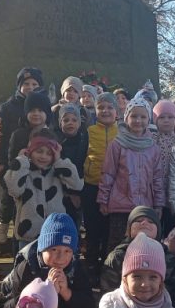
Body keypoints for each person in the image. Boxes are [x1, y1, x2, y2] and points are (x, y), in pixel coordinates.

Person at [0, 213, 95, 308]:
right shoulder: (27, 268)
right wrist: (40, 293)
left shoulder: (76, 269)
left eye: (67, 251)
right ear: (42, 248)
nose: (61, 257)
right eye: (54, 249)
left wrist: (67, 293)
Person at [98, 97, 165, 250]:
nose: (138, 121)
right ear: (126, 117)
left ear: (148, 119)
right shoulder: (117, 144)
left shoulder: (153, 148)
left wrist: (159, 204)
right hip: (120, 207)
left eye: (143, 117)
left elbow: (157, 178)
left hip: (144, 207)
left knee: (141, 246)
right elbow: (108, 174)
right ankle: (113, 266)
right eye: (134, 116)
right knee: (117, 245)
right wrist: (103, 200)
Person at [3, 129, 83, 248]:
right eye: (39, 151)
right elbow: (14, 189)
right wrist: (21, 160)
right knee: (26, 260)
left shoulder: (58, 171)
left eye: (49, 153)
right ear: (30, 151)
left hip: (55, 235)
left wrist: (59, 161)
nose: (43, 156)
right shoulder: (25, 172)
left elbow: (77, 185)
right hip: (28, 235)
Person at [0, 90, 54, 244]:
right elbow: (12, 160)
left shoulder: (52, 134)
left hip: (46, 186)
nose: (36, 114)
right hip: (23, 185)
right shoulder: (18, 134)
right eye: (32, 110)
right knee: (20, 222)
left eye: (40, 110)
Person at [100, 206, 175, 302]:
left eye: (151, 222)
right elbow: (108, 292)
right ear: (129, 229)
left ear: (158, 230)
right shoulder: (117, 257)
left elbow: (174, 294)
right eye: (138, 220)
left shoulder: (169, 257)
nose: (144, 223)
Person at [82, 92, 119, 278]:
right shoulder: (89, 131)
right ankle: (90, 266)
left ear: (116, 112)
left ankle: (106, 267)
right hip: (91, 185)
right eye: (101, 107)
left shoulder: (122, 132)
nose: (105, 111)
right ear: (95, 110)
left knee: (108, 230)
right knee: (92, 228)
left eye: (110, 107)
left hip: (114, 188)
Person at [55, 103, 89, 230]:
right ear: (60, 123)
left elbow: (82, 166)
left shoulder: (84, 141)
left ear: (79, 123)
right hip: (59, 191)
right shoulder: (56, 142)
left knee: (73, 224)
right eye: (66, 120)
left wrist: (76, 193)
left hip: (78, 188)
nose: (70, 123)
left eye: (74, 120)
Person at [152, 100, 175, 235]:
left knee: (171, 227)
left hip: (173, 191)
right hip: (155, 191)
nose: (166, 121)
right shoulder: (151, 139)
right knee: (156, 226)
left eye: (170, 117)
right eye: (162, 117)